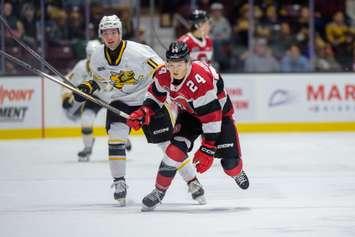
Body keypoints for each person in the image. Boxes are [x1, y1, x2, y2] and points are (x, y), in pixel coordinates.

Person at [73, 15, 206, 206]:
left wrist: (166, 97)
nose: (110, 37)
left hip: (148, 99)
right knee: (115, 139)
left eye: (113, 32)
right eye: (105, 33)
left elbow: (163, 71)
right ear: (101, 35)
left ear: (120, 32)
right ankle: (119, 183)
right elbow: (99, 80)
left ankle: (192, 182)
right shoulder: (97, 56)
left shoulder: (138, 52)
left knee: (169, 146)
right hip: (120, 100)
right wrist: (86, 88)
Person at [127, 41, 250, 211]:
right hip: (190, 116)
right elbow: (156, 94)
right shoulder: (164, 73)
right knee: (173, 150)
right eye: (171, 63)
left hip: (220, 116)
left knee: (230, 165)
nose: (174, 68)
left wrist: (207, 149)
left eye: (179, 64)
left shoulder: (200, 79)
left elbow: (212, 118)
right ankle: (158, 192)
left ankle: (237, 172)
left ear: (188, 62)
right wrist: (144, 111)